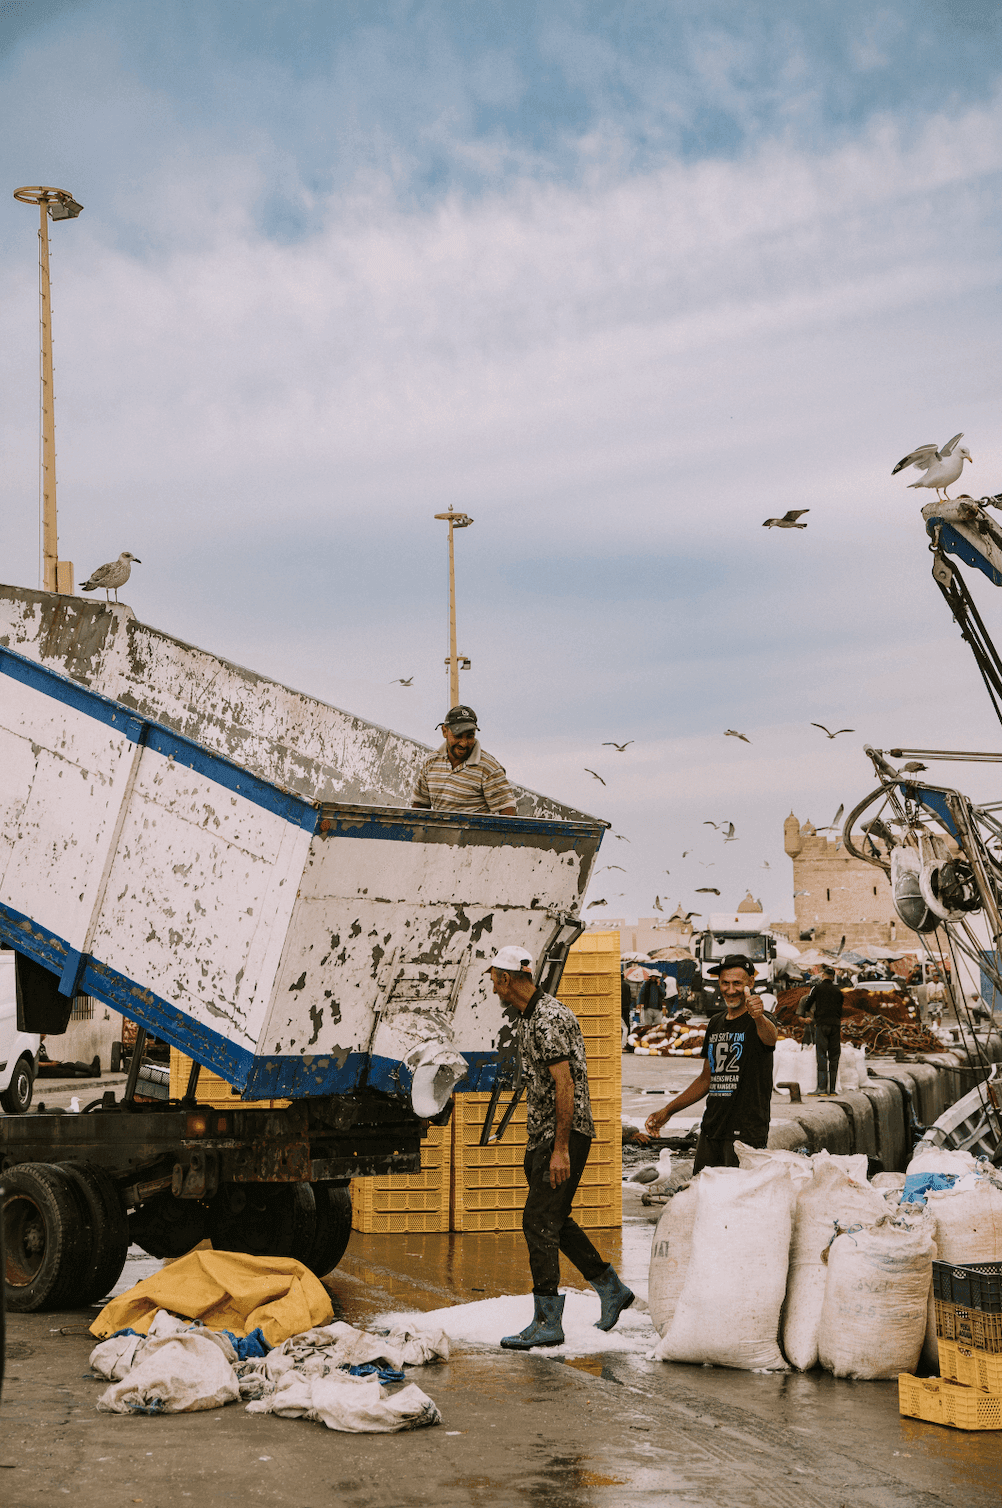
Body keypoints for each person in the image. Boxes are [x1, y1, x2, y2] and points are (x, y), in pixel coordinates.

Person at [486, 945, 634, 1349]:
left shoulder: (549, 1018)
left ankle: (548, 1321)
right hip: (544, 1133)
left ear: (507, 978)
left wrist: (560, 1149)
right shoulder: (529, 1016)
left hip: (562, 1134)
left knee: (537, 1220)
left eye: (495, 981)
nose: (494, 989)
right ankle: (611, 1289)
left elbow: (565, 1085)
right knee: (553, 1218)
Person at [644, 954, 778, 1171]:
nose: (730, 990)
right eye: (725, 983)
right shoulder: (715, 1023)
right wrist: (668, 1110)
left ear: (750, 983)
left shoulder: (761, 1020)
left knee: (737, 1191)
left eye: (737, 983)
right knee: (702, 1188)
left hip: (746, 1133)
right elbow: (706, 1079)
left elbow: (770, 1038)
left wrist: (758, 1016)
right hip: (711, 1129)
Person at [411, 705, 517, 815]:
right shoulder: (431, 762)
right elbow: (420, 806)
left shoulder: (489, 768)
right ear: (444, 731)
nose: (464, 743)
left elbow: (508, 812)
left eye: (469, 736)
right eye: (458, 736)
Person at [800, 965, 843, 1093]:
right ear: (833, 977)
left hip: (822, 1025)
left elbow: (807, 1005)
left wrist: (814, 1016)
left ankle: (821, 1088)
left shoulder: (817, 989)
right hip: (835, 1025)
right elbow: (840, 1010)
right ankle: (833, 1089)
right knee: (834, 1057)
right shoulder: (838, 991)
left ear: (823, 976)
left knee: (822, 1055)